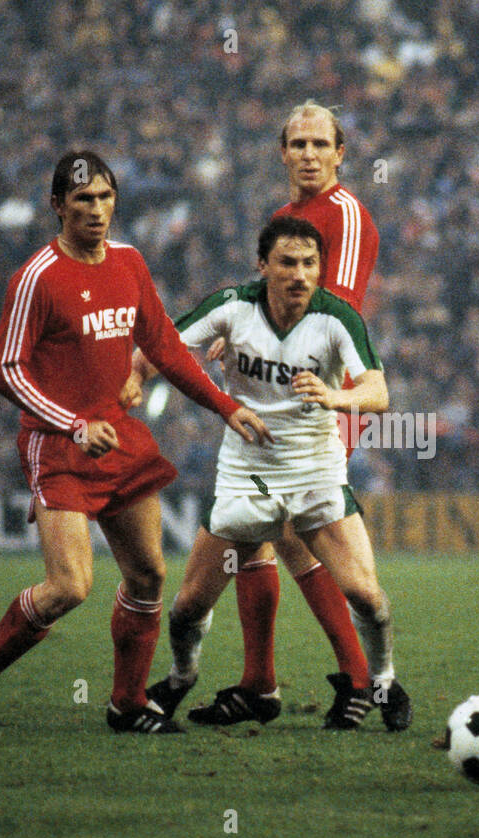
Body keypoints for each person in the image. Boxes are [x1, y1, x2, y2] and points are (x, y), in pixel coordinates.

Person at [0, 151, 270, 737]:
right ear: (58, 205)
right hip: (59, 448)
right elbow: (5, 370)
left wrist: (227, 407)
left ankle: (126, 703)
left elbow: (165, 347)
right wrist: (73, 425)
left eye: (105, 197)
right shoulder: (38, 276)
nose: (96, 209)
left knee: (147, 576)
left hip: (117, 439)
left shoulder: (129, 263)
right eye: (83, 199)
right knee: (70, 587)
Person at [125, 101, 400, 728]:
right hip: (280, 394)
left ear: (340, 153)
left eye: (319, 144)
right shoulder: (284, 218)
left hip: (323, 399)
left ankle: (350, 678)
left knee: (294, 538)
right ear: (282, 153)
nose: (308, 154)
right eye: (297, 144)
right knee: (264, 536)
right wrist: (242, 336)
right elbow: (266, 299)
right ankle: (270, 683)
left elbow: (337, 313)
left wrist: (267, 345)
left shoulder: (347, 216)